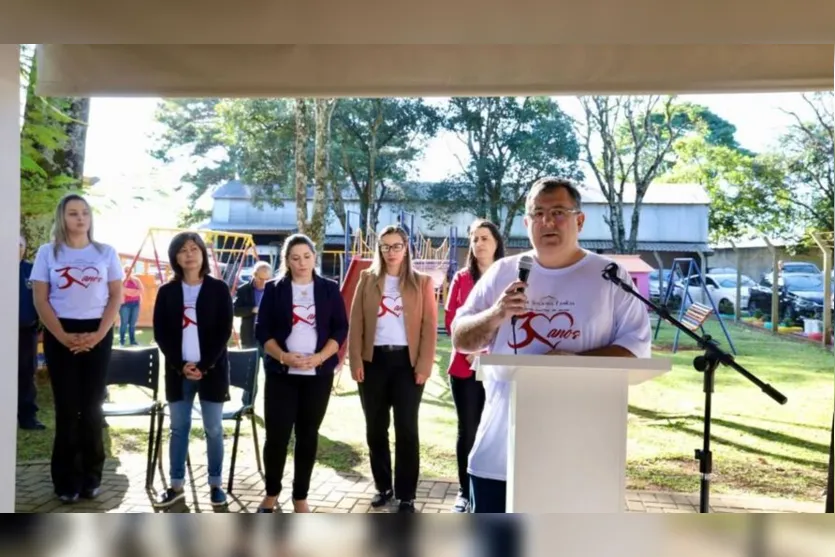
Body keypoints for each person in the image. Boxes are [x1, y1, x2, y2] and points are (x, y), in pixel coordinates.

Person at [451, 177, 651, 513]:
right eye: (537, 213)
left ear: (580, 220)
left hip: (581, 457)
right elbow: (461, 338)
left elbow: (636, 348)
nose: (547, 222)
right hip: (500, 454)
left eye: (558, 212)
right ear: (526, 223)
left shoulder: (609, 276)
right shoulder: (503, 272)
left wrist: (571, 362)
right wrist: (497, 313)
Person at [29, 194, 124, 503]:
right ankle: (66, 480)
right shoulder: (48, 253)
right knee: (68, 408)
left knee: (93, 407)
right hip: (60, 333)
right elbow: (41, 300)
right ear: (63, 218)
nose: (80, 218)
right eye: (73, 213)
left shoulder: (105, 253)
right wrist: (62, 336)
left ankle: (91, 476)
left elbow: (115, 297)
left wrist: (97, 336)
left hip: (99, 331)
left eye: (84, 213)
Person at [253, 234, 348, 513]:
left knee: (308, 435)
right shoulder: (274, 289)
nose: (301, 262)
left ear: (314, 258)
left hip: (317, 376)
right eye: (295, 257)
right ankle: (271, 493)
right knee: (277, 436)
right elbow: (263, 331)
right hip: (281, 374)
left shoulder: (329, 289)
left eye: (306, 256)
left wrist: (319, 358)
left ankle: (300, 497)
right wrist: (283, 356)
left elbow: (340, 329)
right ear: (287, 261)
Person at [348, 225, 438, 513]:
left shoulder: (422, 282)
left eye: (396, 246)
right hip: (373, 363)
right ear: (380, 249)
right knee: (375, 428)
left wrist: (423, 365)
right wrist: (356, 361)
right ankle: (383, 486)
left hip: (407, 365)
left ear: (406, 247)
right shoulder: (367, 279)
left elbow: (429, 327)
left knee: (407, 430)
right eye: (385, 246)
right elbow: (357, 323)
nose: (391, 252)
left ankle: (407, 494)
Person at [152, 231, 234, 509]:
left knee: (213, 428)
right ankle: (176, 485)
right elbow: (161, 332)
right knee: (179, 428)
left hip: (211, 371)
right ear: (175, 257)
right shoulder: (167, 291)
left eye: (194, 248)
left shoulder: (218, 289)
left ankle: (215, 484)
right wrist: (180, 364)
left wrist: (203, 365)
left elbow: (224, 331)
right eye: (183, 250)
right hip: (178, 372)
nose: (189, 253)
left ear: (203, 254)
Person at [444, 219, 505, 512]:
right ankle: (464, 492)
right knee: (468, 429)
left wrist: (485, 351)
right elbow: (452, 319)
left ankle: (493, 489)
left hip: (499, 366)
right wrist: (472, 351)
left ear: (496, 243)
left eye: (484, 238)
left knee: (494, 430)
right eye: (474, 239)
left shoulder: (508, 275)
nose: (478, 244)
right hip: (464, 367)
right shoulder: (460, 278)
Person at [18, 235, 45, 431]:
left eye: (19, 245)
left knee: (26, 373)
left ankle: (27, 416)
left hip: (26, 331)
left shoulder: (31, 270)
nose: (16, 248)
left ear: (25, 248)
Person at [233, 261, 273, 349]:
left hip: (270, 339)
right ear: (254, 275)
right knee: (249, 362)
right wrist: (252, 309)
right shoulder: (244, 290)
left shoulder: (275, 290)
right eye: (261, 279)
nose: (264, 282)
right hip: (249, 337)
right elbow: (235, 311)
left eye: (267, 279)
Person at [119, 265, 144, 346]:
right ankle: (122, 341)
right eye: (126, 270)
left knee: (132, 324)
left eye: (129, 270)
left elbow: (141, 290)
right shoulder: (121, 281)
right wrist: (134, 292)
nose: (128, 272)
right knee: (124, 323)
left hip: (135, 304)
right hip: (125, 305)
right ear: (123, 272)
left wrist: (128, 292)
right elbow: (122, 291)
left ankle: (132, 341)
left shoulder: (136, 280)